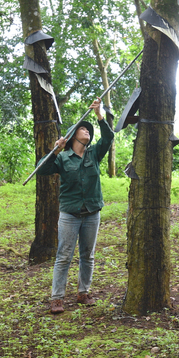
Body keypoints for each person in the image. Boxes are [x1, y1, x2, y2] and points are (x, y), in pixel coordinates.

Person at [36, 98, 114, 314]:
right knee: (64, 256)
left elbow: (108, 137)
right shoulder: (63, 158)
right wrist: (55, 151)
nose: (87, 131)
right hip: (70, 215)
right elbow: (41, 170)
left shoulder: (94, 154)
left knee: (87, 255)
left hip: (91, 213)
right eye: (82, 128)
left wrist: (99, 115)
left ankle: (83, 292)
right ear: (71, 137)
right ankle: (57, 298)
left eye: (88, 130)